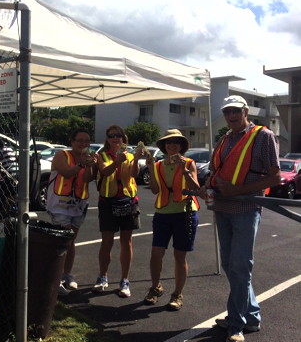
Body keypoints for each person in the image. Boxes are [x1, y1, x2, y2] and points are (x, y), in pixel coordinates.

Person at [204, 95, 280, 342]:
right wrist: (208, 183)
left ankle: (236, 324)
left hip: (246, 209)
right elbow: (215, 170)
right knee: (230, 265)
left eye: (236, 111)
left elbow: (274, 178)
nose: (231, 116)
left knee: (240, 267)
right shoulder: (224, 139)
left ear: (246, 111)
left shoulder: (263, 136)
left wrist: (237, 190)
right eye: (227, 112)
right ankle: (252, 316)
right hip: (223, 209)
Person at [142, 129, 200, 311]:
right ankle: (155, 287)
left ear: (182, 146)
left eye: (176, 142)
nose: (172, 145)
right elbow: (153, 190)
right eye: (168, 142)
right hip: (163, 213)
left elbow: (196, 188)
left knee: (179, 256)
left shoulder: (189, 163)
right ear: (164, 146)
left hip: (185, 212)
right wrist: (151, 170)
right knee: (156, 253)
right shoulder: (159, 165)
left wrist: (184, 171)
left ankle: (177, 294)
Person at [46, 129, 97, 295]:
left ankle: (66, 274)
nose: (83, 144)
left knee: (71, 240)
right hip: (59, 205)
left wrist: (90, 165)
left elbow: (88, 179)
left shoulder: (89, 157)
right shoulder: (62, 155)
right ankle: (56, 277)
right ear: (72, 141)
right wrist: (81, 164)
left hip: (78, 204)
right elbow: (66, 172)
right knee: (64, 238)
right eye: (80, 141)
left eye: (87, 141)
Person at [91, 125, 140, 298]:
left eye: (118, 135)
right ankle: (103, 276)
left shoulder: (131, 155)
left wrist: (137, 159)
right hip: (108, 202)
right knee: (107, 242)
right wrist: (118, 161)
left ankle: (125, 280)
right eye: (111, 135)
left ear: (123, 138)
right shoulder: (101, 155)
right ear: (107, 138)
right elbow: (104, 170)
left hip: (129, 201)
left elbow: (134, 173)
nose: (115, 138)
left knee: (127, 242)